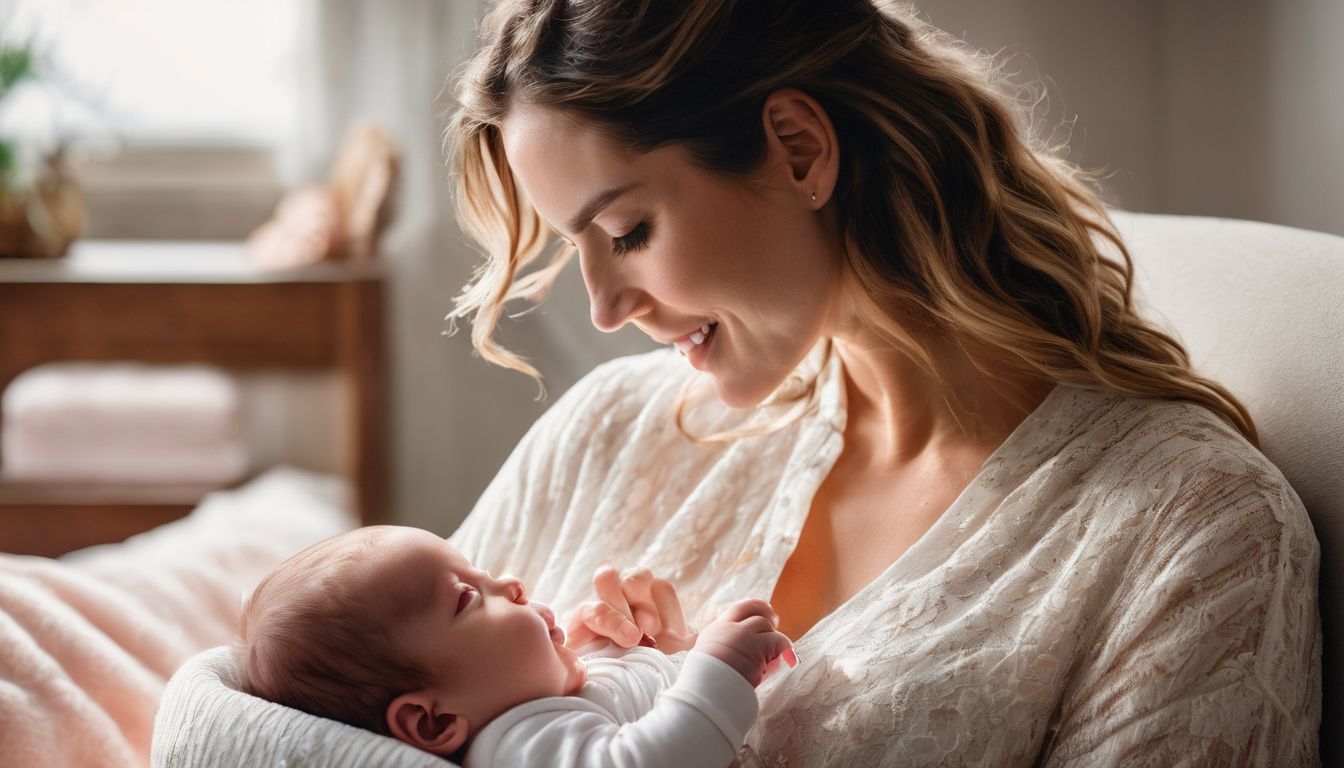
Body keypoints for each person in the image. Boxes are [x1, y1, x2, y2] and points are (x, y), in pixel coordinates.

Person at [442, 0, 1322, 765]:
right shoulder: (609, 429)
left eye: (628, 231)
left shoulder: (1189, 529)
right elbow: (331, 715)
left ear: (797, 149)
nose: (604, 307)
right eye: (575, 246)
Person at [238, 525, 796, 767]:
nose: (510, 585)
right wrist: (718, 665)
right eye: (467, 598)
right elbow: (648, 760)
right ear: (432, 724)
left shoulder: (538, 706)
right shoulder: (514, 748)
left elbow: (637, 701)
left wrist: (645, 652)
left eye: (480, 572)